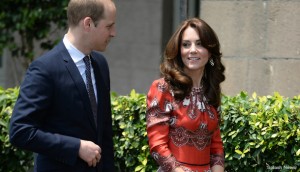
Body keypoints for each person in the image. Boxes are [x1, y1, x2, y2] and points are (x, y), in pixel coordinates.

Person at [9, 0, 116, 171]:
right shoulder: (45, 69)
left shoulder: (100, 64)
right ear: (88, 23)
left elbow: (105, 133)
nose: (113, 33)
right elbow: (20, 131)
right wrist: (76, 147)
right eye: (109, 26)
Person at [146, 18, 225, 172]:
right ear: (178, 51)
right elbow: (157, 145)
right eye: (186, 45)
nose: (193, 50)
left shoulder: (211, 89)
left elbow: (216, 146)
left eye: (200, 44)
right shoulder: (163, 87)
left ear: (210, 51)